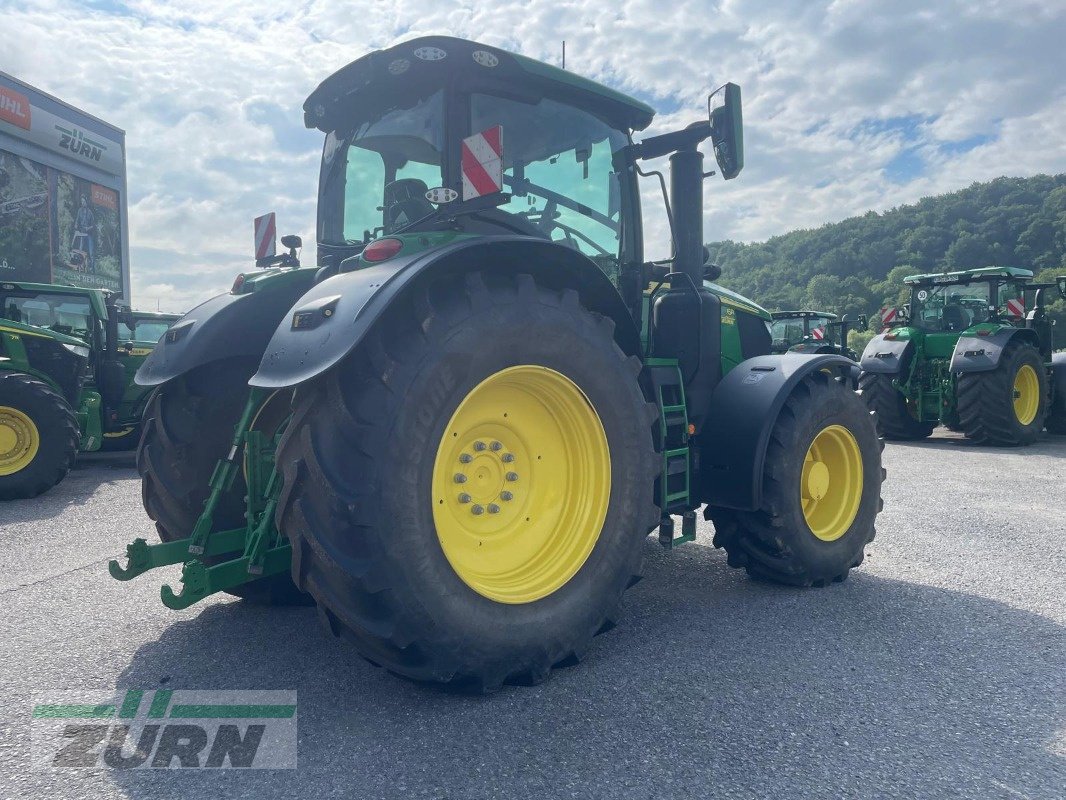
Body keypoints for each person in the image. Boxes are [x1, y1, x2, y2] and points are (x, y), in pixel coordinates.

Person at [74, 194, 96, 272]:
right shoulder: (79, 210)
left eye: (84, 201)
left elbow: (93, 225)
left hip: (89, 234)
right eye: (82, 202)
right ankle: (80, 267)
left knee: (91, 252)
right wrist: (76, 226)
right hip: (82, 233)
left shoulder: (90, 213)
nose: (83, 203)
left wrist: (88, 228)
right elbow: (77, 220)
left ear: (87, 202)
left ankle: (92, 269)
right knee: (80, 250)